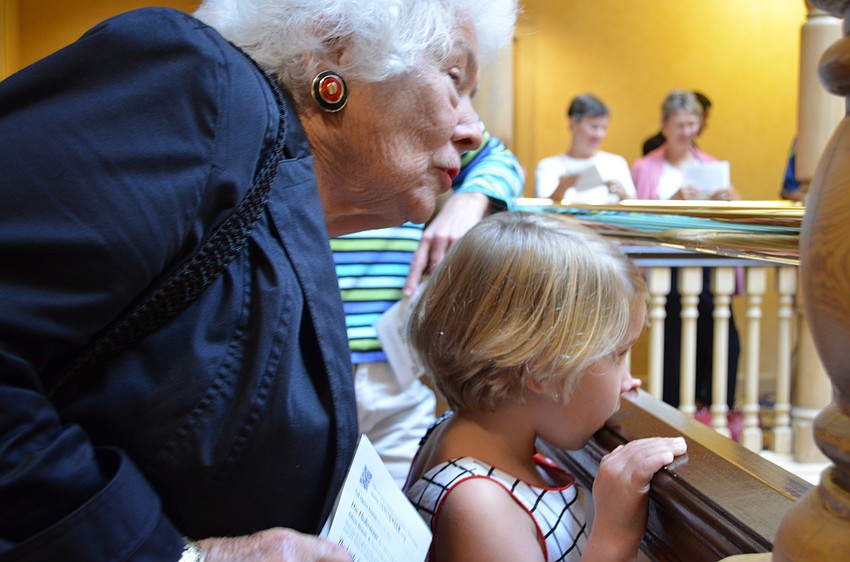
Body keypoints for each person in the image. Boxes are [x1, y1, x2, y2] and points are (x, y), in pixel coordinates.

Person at [0, 1, 518, 560]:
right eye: (455, 79)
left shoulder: (283, 201)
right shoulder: (194, 83)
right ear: (336, 49)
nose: (473, 130)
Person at [404, 212, 688, 562]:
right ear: (541, 370)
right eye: (618, 355)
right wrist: (616, 534)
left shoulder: (463, 435)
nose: (631, 382)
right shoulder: (481, 507)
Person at [331, 122, 524, 487]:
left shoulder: (425, 121)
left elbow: (500, 159)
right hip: (309, 367)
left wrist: (471, 199)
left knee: (402, 511)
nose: (465, 113)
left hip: (394, 376)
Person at [632, 89, 741, 413]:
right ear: (665, 125)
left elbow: (731, 218)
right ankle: (673, 410)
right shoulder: (646, 167)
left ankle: (716, 406)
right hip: (665, 265)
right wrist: (673, 200)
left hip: (706, 262)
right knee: (673, 341)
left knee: (722, 338)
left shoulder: (711, 164)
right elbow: (636, 219)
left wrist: (729, 200)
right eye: (680, 125)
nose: (687, 132)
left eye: (692, 124)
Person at [534, 94, 635, 204]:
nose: (599, 134)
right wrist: (562, 188)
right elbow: (542, 209)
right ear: (573, 124)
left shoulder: (616, 163)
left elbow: (634, 206)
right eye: (594, 126)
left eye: (604, 128)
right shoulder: (549, 166)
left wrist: (623, 195)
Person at [641, 90, 712, 156]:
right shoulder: (653, 146)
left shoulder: (694, 149)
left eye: (691, 124)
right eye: (680, 124)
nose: (705, 124)